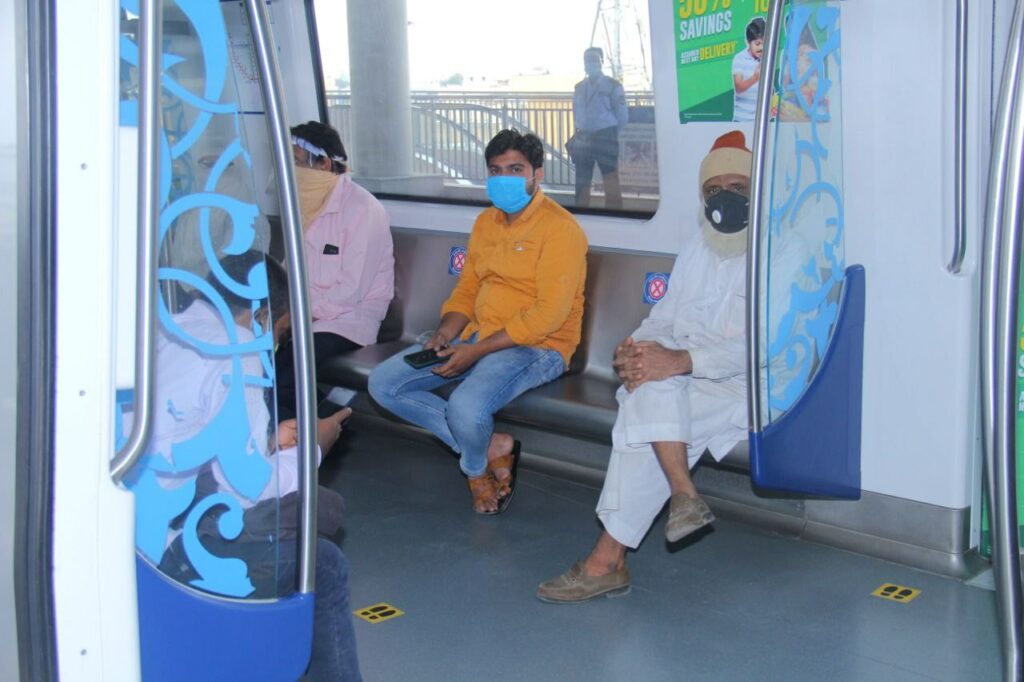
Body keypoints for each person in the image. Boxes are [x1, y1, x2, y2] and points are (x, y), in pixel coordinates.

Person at [536, 131, 754, 603]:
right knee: (648, 388)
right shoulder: (699, 247)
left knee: (644, 415)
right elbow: (667, 317)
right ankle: (680, 498)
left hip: (744, 385)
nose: (725, 199)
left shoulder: (779, 255)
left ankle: (607, 561)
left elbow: (769, 350)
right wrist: (637, 348)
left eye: (739, 188)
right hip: (686, 373)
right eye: (714, 191)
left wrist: (679, 360)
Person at [142, 252, 362, 680]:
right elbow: (248, 490)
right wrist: (313, 448)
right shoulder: (236, 355)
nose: (274, 345)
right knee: (325, 563)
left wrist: (267, 440)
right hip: (174, 542)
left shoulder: (170, 330)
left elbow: (192, 434)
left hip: (134, 523)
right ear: (261, 315)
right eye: (279, 332)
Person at [368, 129, 588, 515]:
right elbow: (468, 289)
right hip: (479, 336)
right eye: (495, 170)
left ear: (537, 173)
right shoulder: (486, 223)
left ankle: (473, 469)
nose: (504, 178)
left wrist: (476, 351)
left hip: (540, 345)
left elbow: (548, 314)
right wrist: (445, 333)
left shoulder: (560, 230)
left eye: (515, 169)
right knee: (384, 384)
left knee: (466, 407)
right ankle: (490, 446)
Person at [275, 120, 395, 421]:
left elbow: (349, 292)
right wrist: (277, 310)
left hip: (346, 321)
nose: (291, 171)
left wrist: (295, 317)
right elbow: (287, 271)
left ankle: (321, 434)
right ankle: (317, 426)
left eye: (297, 163)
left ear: (324, 163)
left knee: (287, 376)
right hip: (304, 316)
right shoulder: (304, 205)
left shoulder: (362, 209)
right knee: (261, 370)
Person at [571, 46, 629, 209]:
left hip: (606, 136)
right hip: (584, 138)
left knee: (610, 179)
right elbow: (576, 113)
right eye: (587, 60)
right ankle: (581, 213)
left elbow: (622, 117)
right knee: (582, 180)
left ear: (602, 62)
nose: (591, 63)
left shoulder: (613, 86)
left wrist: (610, 133)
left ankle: (615, 214)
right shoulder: (579, 88)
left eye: (595, 59)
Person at [732, 17, 765, 122]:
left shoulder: (768, 58)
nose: (761, 48)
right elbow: (738, 87)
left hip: (760, 121)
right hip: (742, 120)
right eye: (757, 44)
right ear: (748, 42)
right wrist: (755, 78)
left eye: (765, 43)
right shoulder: (739, 58)